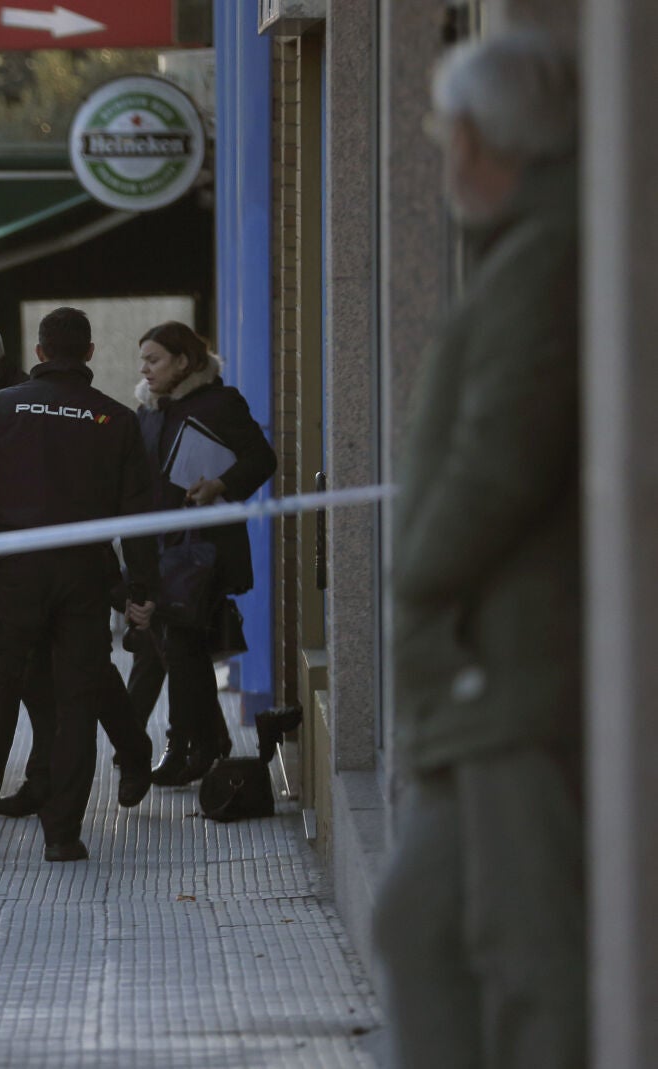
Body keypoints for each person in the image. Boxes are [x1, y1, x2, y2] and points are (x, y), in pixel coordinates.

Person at [370, 32, 583, 1068]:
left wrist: (420, 575)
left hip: (508, 667)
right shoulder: (533, 253)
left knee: (526, 949)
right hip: (477, 674)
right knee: (423, 927)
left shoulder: (547, 259)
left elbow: (506, 451)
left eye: (440, 130)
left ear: (475, 138)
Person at [0, 307, 157, 864]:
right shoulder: (116, 419)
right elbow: (139, 515)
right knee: (77, 705)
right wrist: (141, 590)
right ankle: (63, 836)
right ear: (91, 354)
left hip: (19, 572)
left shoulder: (1, 409)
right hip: (82, 576)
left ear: (41, 353)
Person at [130, 322, 277, 786]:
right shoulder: (148, 411)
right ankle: (204, 740)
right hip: (160, 548)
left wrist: (222, 484)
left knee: (182, 644)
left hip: (205, 550)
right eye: (143, 360)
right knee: (170, 647)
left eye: (154, 359)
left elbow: (262, 459)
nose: (145, 369)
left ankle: (187, 746)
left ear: (183, 361)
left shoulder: (221, 403)